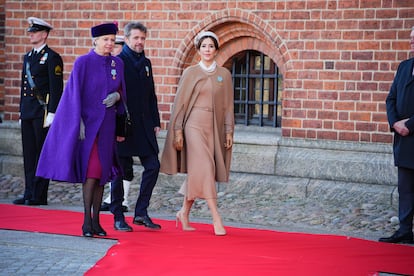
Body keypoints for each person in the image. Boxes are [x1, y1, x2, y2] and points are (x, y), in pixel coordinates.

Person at [36, 22, 127, 237]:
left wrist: (119, 96)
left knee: (102, 174)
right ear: (95, 40)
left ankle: (97, 222)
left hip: (107, 127)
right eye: (105, 40)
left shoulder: (118, 63)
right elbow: (72, 94)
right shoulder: (83, 62)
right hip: (87, 127)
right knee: (92, 172)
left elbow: (123, 90)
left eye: (112, 40)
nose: (109, 44)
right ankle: (86, 221)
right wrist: (78, 123)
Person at [160, 30, 234, 236]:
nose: (207, 50)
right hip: (192, 126)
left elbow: (228, 106)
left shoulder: (224, 75)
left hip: (214, 128)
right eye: (204, 46)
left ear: (216, 49)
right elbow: (180, 104)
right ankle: (216, 219)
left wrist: (229, 131)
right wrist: (177, 131)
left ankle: (183, 212)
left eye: (211, 46)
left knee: (199, 172)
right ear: (198, 49)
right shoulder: (190, 73)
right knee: (206, 168)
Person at [111, 21, 162, 230]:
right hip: (124, 125)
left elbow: (151, 95)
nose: (140, 42)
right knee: (120, 171)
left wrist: (156, 121)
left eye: (142, 38)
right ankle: (117, 216)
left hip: (144, 125)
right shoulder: (118, 62)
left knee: (153, 166)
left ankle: (141, 212)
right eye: (136, 38)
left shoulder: (147, 62)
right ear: (127, 39)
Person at [13, 17, 64, 206]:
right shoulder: (28, 57)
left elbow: (56, 87)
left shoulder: (52, 58)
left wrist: (53, 113)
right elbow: (23, 87)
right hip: (28, 111)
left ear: (44, 34)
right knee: (28, 154)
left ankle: (39, 194)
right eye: (30, 32)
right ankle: (28, 191)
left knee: (42, 154)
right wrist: (20, 111)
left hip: (42, 113)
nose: (31, 34)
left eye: (34, 32)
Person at [379, 26, 414, 244]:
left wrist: (410, 124)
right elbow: (390, 99)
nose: (411, 43)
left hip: (412, 131)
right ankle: (404, 230)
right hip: (404, 139)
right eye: (411, 39)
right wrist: (394, 124)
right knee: (406, 188)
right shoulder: (404, 67)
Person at [100, 34, 130, 214]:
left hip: (122, 118)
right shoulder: (111, 64)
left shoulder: (120, 64)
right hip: (108, 118)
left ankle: (122, 199)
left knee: (122, 161)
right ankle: (112, 197)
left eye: (117, 44)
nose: (113, 47)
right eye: (110, 43)